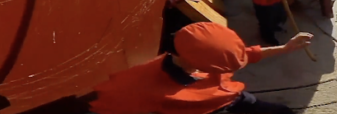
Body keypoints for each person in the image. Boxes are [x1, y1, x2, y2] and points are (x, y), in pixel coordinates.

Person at [89, 21, 312, 114]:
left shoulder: (202, 59)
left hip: (232, 100)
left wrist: (285, 47)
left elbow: (247, 55)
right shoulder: (149, 89)